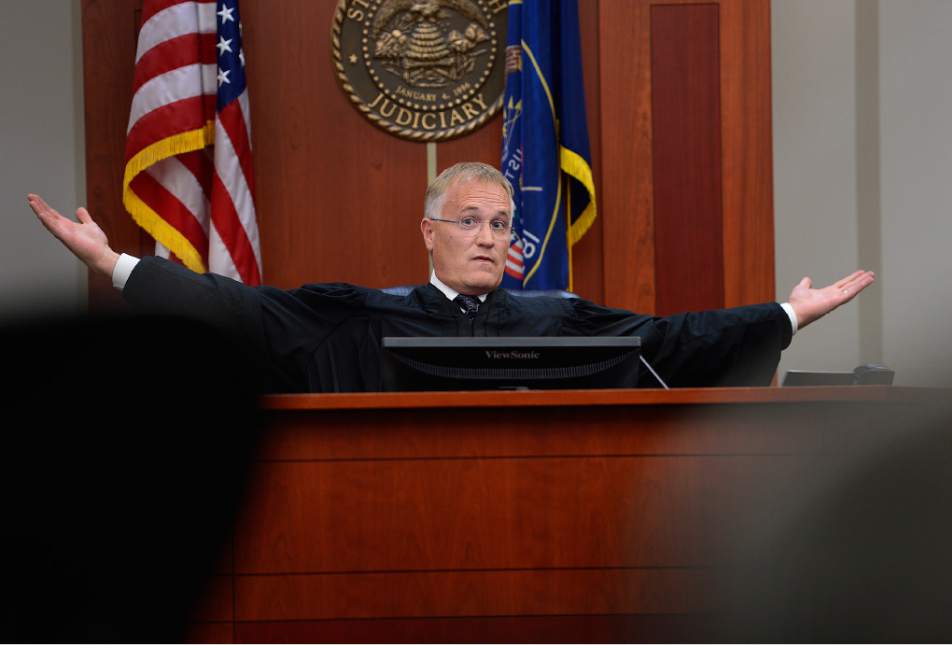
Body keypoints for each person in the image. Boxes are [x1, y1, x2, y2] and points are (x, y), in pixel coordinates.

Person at [26, 162, 875, 392]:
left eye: (501, 223)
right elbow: (242, 310)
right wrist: (117, 264)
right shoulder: (353, 317)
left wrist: (786, 314)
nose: (488, 236)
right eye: (469, 220)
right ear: (428, 231)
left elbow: (669, 341)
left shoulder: (556, 319)